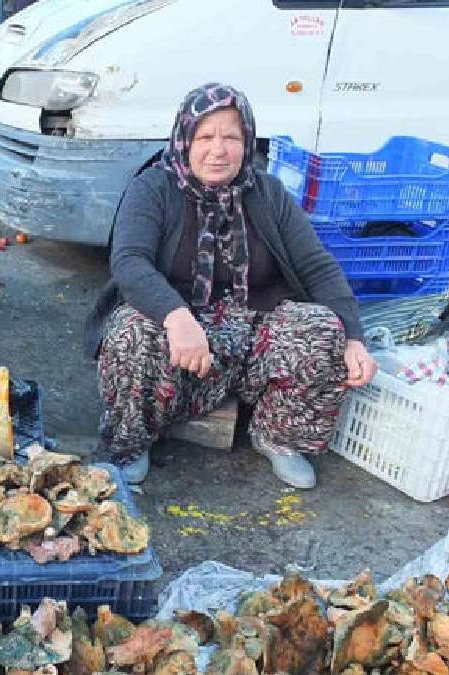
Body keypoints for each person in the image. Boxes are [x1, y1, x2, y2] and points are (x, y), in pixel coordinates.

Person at [84, 83, 377, 489]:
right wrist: (176, 317)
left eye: (231, 138)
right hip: (183, 346)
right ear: (185, 139)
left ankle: (279, 437)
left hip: (251, 336)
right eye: (205, 137)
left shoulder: (268, 193)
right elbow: (130, 262)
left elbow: (316, 265)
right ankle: (130, 443)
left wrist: (354, 338)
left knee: (325, 329)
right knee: (132, 331)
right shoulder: (152, 188)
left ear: (248, 142)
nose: (218, 150)